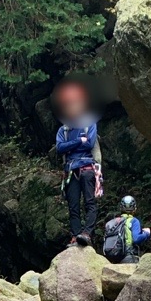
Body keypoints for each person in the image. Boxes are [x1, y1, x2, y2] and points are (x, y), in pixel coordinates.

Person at [53, 79, 104, 246]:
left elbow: (89, 143)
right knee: (73, 205)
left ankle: (87, 233)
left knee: (89, 202)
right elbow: (60, 148)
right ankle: (76, 235)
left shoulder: (90, 124)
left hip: (87, 168)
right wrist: (78, 141)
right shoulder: (64, 130)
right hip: (71, 170)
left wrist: (78, 143)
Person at [102, 195, 151, 264]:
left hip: (114, 258)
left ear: (121, 208)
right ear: (134, 208)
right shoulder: (134, 221)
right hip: (128, 256)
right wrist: (146, 233)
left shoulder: (116, 222)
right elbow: (136, 239)